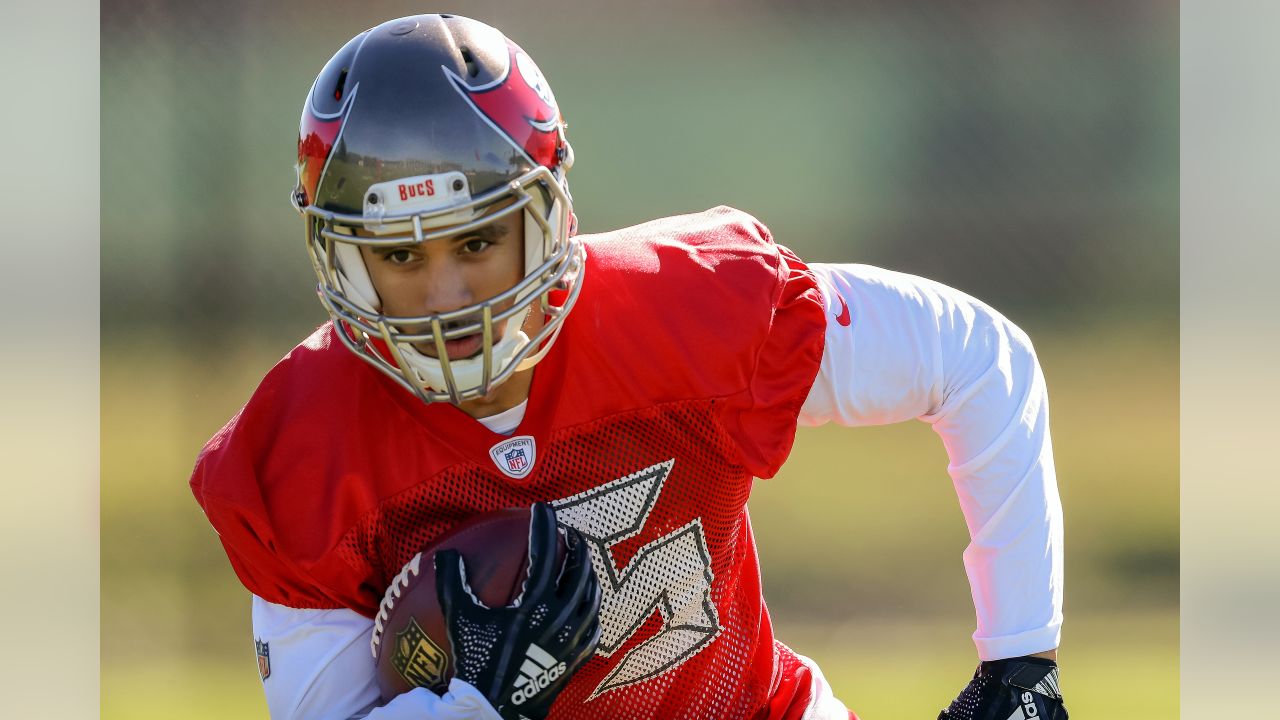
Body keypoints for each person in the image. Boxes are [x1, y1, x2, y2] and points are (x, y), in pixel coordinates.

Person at [190, 13, 1068, 720]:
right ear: (341, 257)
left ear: (545, 212)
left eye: (480, 240)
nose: (447, 297)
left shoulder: (683, 309)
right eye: (402, 258)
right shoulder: (302, 449)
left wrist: (1020, 663)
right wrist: (473, 702)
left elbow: (979, 362)